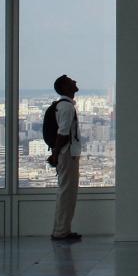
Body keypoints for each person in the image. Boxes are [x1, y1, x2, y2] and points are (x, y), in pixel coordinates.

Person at [48, 74, 82, 241]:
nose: (74, 81)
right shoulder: (67, 107)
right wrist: (56, 154)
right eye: (71, 81)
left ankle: (62, 229)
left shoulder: (63, 106)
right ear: (65, 88)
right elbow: (63, 133)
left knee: (66, 192)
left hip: (66, 153)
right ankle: (61, 231)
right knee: (66, 192)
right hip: (67, 154)